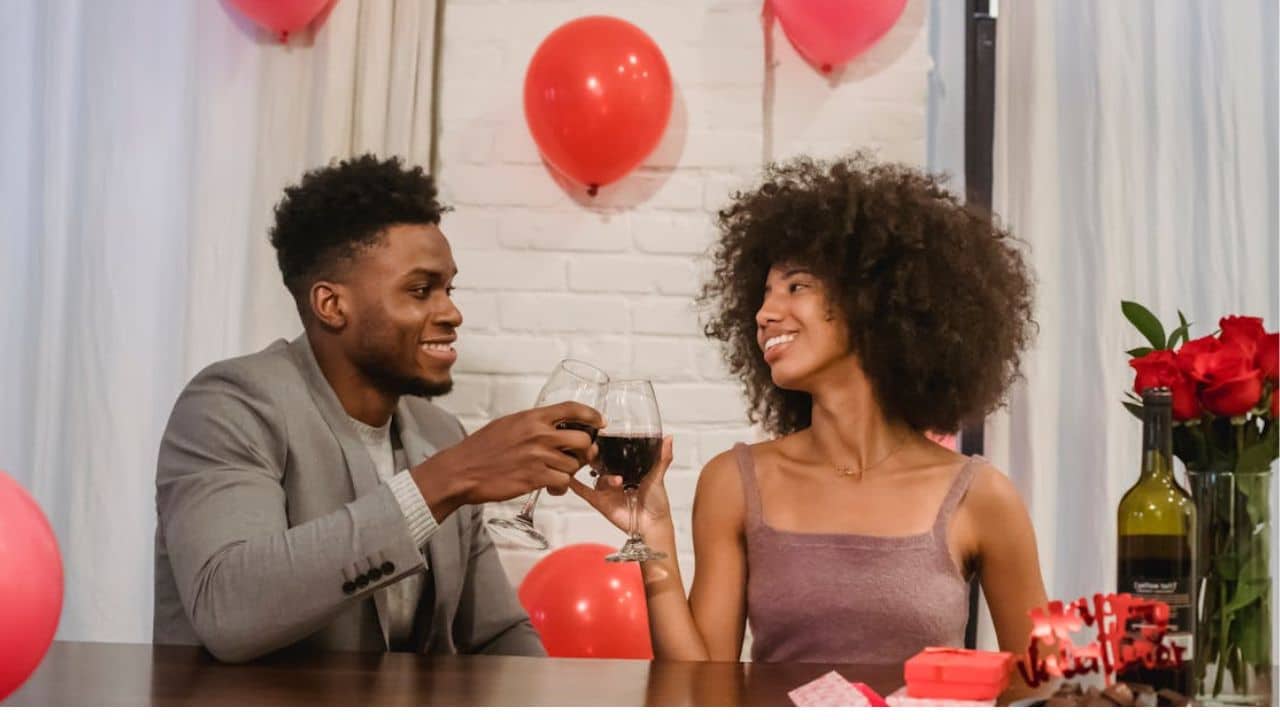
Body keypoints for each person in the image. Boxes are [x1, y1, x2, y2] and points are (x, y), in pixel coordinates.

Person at [575, 154, 1048, 679]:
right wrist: (654, 535)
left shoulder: (980, 496)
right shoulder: (733, 481)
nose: (764, 314)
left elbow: (1041, 688)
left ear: (871, 299)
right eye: (763, 294)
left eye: (796, 287)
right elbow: (701, 686)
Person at [153, 155, 602, 662]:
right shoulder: (230, 405)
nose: (452, 312)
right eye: (420, 290)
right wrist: (450, 478)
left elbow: (497, 635)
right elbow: (228, 610)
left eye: (448, 289)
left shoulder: (439, 433)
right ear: (332, 305)